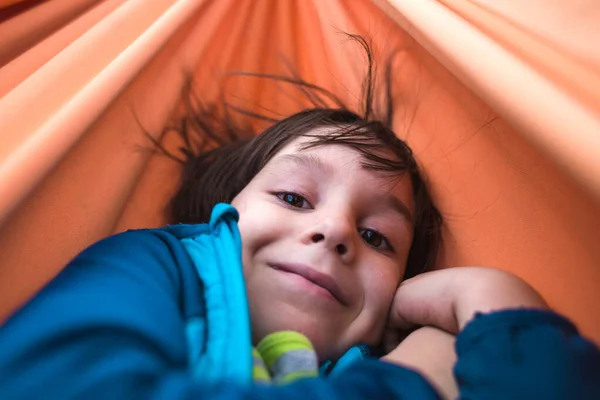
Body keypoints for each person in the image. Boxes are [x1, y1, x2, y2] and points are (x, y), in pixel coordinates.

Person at [0, 42, 599, 399]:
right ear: (226, 215)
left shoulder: (423, 349)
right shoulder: (157, 264)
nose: (337, 231)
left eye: (375, 238)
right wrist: (416, 384)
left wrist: (489, 295)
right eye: (293, 197)